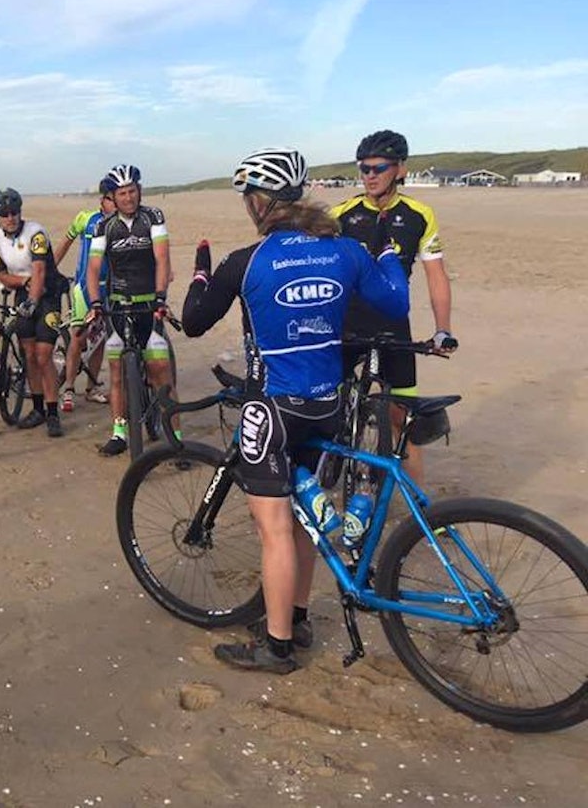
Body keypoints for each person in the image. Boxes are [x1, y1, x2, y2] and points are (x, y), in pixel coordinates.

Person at [181, 147, 410, 673]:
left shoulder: (248, 261)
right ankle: (298, 616)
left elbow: (194, 320)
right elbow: (396, 303)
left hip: (273, 410)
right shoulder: (346, 250)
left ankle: (277, 645)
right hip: (329, 404)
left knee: (275, 527)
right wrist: (391, 256)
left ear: (259, 203)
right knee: (306, 517)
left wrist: (200, 270)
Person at [331, 130, 456, 484]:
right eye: (364, 168)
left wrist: (443, 329)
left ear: (400, 169)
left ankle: (423, 512)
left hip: (393, 327)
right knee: (325, 410)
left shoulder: (419, 215)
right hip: (345, 325)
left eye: (378, 168)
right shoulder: (341, 214)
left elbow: (436, 276)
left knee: (404, 420)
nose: (369, 175)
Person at [84, 164, 175, 456]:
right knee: (117, 369)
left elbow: (162, 259)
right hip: (118, 303)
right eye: (122, 193)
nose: (129, 198)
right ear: (113, 196)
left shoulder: (153, 217)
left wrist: (161, 297)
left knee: (160, 367)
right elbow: (94, 267)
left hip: (149, 301)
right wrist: (96, 303)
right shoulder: (103, 226)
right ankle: (120, 431)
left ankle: (174, 435)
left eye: (132, 191)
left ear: (139, 190)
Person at [0, 187, 65, 437]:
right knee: (29, 355)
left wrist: (33, 298)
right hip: (24, 293)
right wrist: (23, 284)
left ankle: (53, 413)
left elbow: (40, 270)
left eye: (14, 212)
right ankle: (38, 409)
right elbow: (2, 275)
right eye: (4, 214)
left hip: (48, 295)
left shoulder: (36, 233)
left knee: (44, 355)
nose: (10, 217)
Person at [53, 178, 115, 411]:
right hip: (84, 288)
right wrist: (49, 269)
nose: (115, 205)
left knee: (101, 341)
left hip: (110, 289)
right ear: (103, 201)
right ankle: (69, 388)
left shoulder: (122, 225)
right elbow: (65, 242)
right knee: (78, 338)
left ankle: (91, 388)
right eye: (110, 199)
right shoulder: (85, 219)